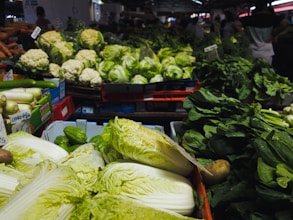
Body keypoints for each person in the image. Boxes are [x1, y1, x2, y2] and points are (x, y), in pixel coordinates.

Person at [235, 0, 289, 65]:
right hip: (266, 52)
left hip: (251, 51)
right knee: (266, 72)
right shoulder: (270, 18)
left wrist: (244, 35)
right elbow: (286, 23)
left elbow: (235, 24)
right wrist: (273, 35)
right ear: (265, 8)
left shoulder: (249, 19)